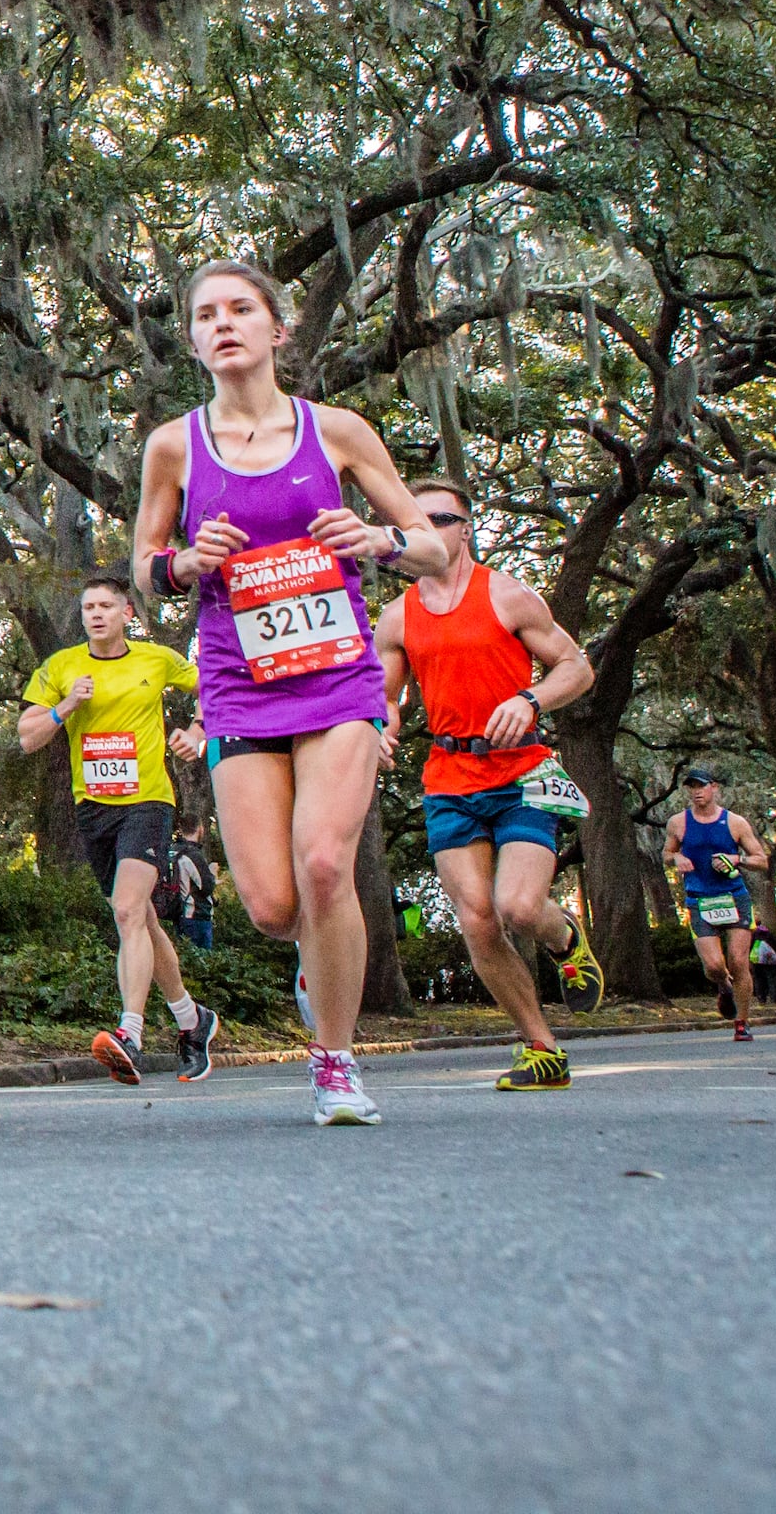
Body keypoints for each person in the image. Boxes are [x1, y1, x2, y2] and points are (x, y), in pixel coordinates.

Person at [130, 259, 457, 1126]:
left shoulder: (338, 430)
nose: (223, 323)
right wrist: (185, 564)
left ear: (278, 330)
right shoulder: (174, 445)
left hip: (338, 677)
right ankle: (319, 960)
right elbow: (143, 568)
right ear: (194, 340)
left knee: (324, 861)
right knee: (276, 906)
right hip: (239, 683)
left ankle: (337, 1064)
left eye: (242, 309)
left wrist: (378, 539)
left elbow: (435, 552)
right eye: (205, 314)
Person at [376, 478, 607, 1090]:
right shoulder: (397, 615)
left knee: (518, 906)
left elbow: (576, 666)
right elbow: (387, 695)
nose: (430, 531)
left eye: (442, 519)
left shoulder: (508, 595)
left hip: (521, 771)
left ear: (467, 527)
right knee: (477, 920)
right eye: (414, 524)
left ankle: (565, 939)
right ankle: (542, 1047)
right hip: (449, 776)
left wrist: (531, 700)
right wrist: (383, 726)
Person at [16, 578, 216, 1084]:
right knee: (141, 920)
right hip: (93, 808)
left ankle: (130, 1033)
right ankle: (193, 1022)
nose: (96, 614)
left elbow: (218, 684)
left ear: (128, 612)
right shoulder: (60, 668)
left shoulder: (157, 659)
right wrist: (66, 707)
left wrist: (197, 731)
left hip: (147, 800)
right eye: (88, 607)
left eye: (106, 606)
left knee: (127, 909)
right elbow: (27, 738)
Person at [662, 769, 772, 1037]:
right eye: (691, 787)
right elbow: (666, 852)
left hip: (734, 897)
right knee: (713, 966)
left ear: (714, 788)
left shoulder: (735, 823)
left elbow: (761, 859)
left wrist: (738, 860)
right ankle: (724, 987)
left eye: (701, 786)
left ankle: (741, 1023)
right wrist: (676, 859)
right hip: (700, 900)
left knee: (738, 961)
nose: (696, 791)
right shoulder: (679, 822)